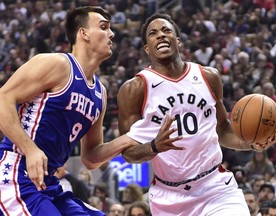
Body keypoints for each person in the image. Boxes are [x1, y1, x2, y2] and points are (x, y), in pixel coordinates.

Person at [0, 6, 178, 216]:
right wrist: (30, 149)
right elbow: (3, 99)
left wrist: (134, 137)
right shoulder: (57, 63)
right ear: (83, 33)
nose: (111, 33)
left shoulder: (99, 93)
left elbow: (91, 157)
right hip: (15, 172)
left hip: (49, 183)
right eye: (103, 27)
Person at [117, 13, 276, 215]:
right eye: (153, 33)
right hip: (169, 197)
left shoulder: (208, 76)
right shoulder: (135, 89)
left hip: (214, 187)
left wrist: (252, 143)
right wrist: (154, 147)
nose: (160, 35)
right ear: (146, 48)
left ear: (177, 40)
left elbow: (223, 130)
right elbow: (128, 153)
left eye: (166, 30)